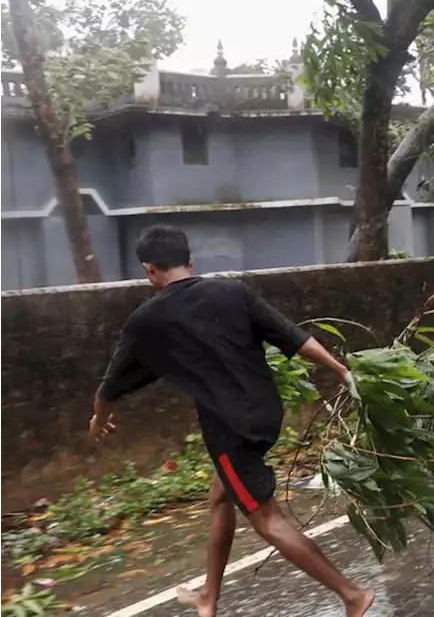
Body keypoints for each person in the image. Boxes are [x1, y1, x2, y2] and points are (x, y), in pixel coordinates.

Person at [89, 225, 374, 617]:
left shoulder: (146, 321)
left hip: (230, 431)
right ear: (190, 261)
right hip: (267, 414)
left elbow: (109, 387)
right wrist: (341, 370)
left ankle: (352, 595)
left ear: (149, 270)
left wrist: (97, 421)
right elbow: (293, 337)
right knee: (220, 495)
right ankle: (209, 595)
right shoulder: (232, 291)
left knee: (267, 521)